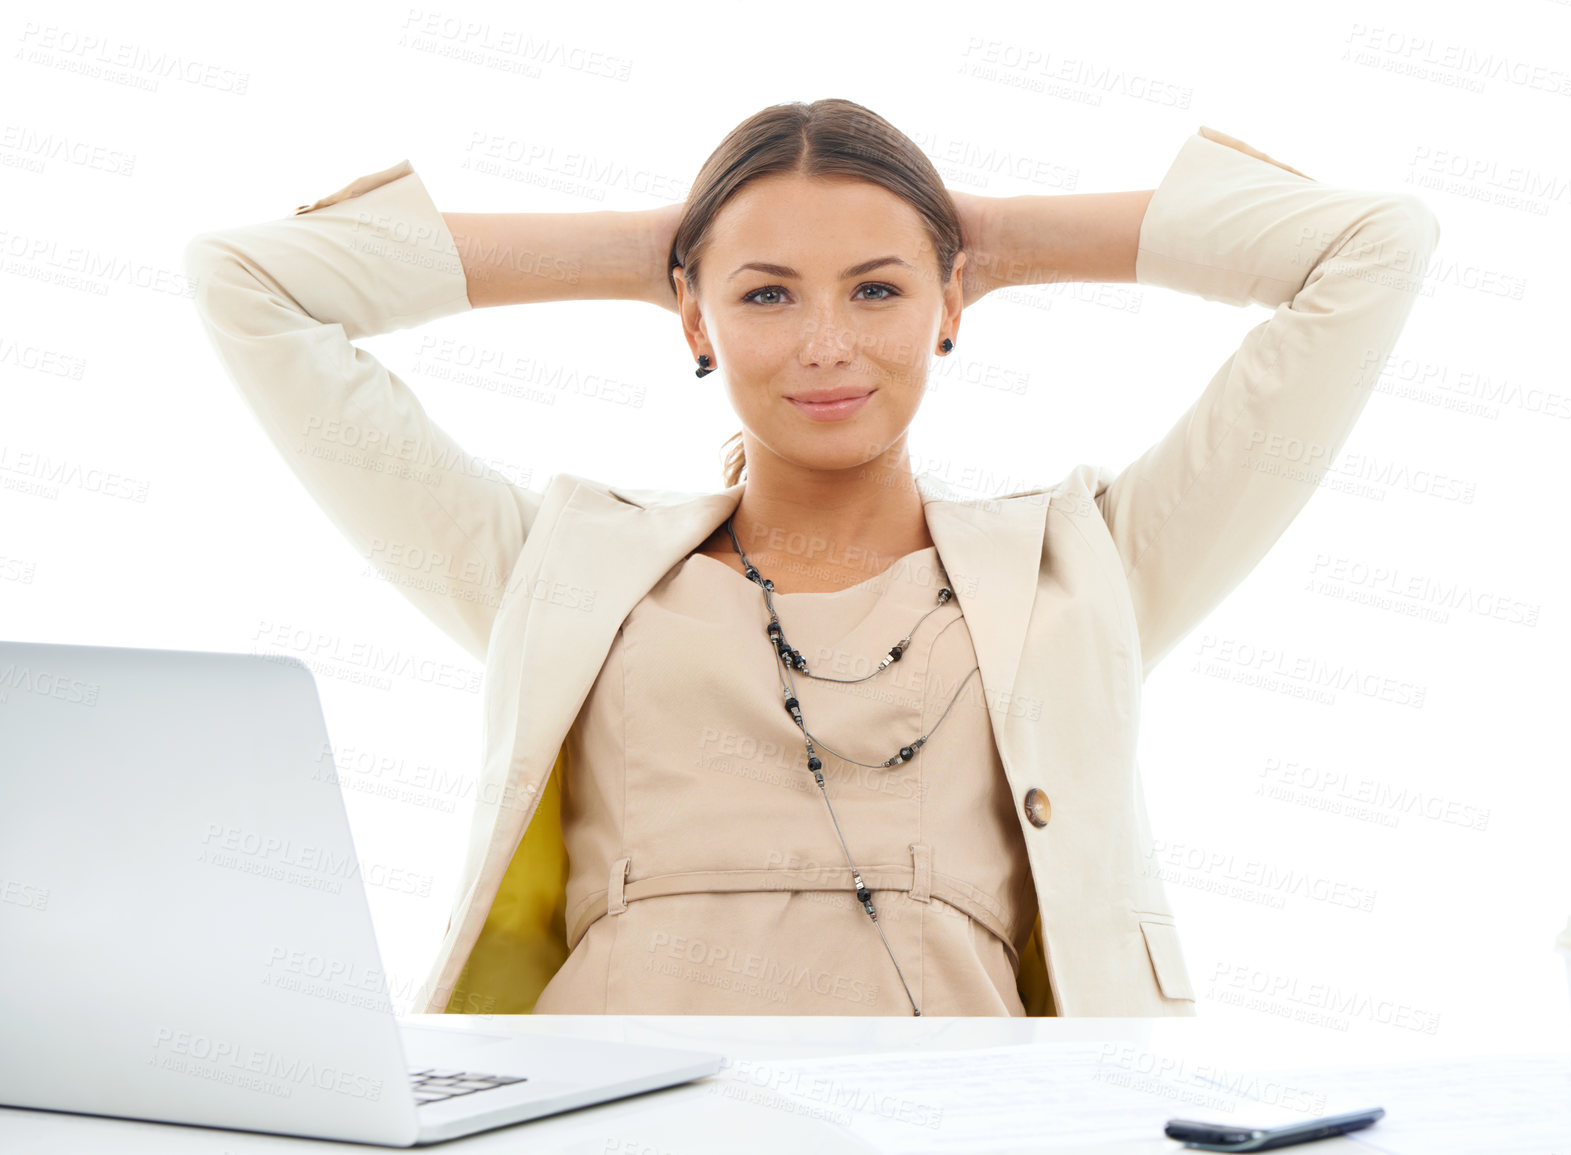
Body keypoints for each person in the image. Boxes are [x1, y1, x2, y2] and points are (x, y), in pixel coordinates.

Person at [184, 99, 1439, 1017]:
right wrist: (665, 247)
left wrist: (983, 238)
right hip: (606, 1123)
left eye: (880, 291)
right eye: (768, 295)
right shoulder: (558, 568)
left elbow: (1372, 248)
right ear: (695, 315)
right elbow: (248, 282)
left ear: (951, 305)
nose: (827, 343)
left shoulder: (1083, 570)